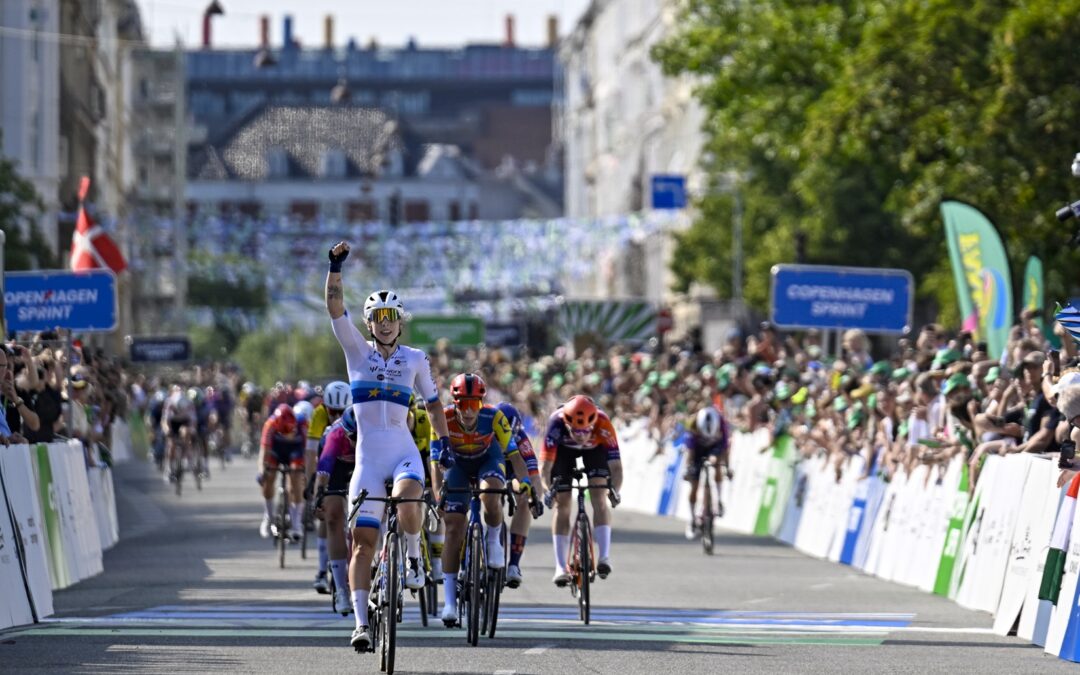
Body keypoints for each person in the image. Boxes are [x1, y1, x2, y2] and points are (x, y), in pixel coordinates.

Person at [325, 240, 455, 652]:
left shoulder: (416, 359)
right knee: (363, 545)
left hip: (402, 454)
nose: (384, 324)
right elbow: (333, 306)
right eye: (377, 318)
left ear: (400, 322)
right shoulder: (357, 353)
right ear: (368, 323)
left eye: (391, 317)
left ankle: (414, 556)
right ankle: (361, 624)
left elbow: (434, 406)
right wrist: (335, 267)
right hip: (367, 461)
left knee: (409, 499)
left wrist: (444, 444)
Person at [430, 373, 529, 625]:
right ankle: (450, 602)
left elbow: (515, 456)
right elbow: (434, 463)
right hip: (458, 466)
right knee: (453, 528)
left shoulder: (493, 417)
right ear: (454, 402)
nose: (468, 410)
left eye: (473, 404)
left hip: (488, 459)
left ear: (481, 403)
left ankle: (494, 540)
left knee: (491, 493)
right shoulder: (443, 418)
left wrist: (525, 481)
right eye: (462, 403)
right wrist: (437, 492)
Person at [540, 395, 622, 586]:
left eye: (585, 431)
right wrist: (547, 490)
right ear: (567, 424)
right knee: (563, 504)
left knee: (599, 496)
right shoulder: (556, 423)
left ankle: (604, 558)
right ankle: (560, 567)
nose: (581, 436)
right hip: (563, 453)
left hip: (595, 451)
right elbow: (545, 468)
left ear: (592, 423)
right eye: (576, 431)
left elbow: (616, 467)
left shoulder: (603, 422)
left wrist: (615, 491)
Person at [313, 405, 358, 615]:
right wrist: (318, 497)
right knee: (332, 516)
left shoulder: (372, 436)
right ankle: (341, 589)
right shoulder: (336, 435)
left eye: (360, 437)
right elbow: (323, 472)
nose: (356, 441)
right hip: (337, 469)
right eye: (353, 437)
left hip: (363, 464)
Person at [496, 401, 543, 588]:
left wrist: (534, 499)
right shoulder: (485, 430)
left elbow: (534, 478)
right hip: (490, 464)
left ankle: (514, 564)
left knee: (525, 498)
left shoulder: (522, 440)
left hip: (515, 468)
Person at [311, 381, 351, 595]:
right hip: (333, 463)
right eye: (332, 412)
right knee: (331, 515)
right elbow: (317, 460)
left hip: (357, 464)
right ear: (325, 408)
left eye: (341, 412)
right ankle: (323, 571)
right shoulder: (327, 426)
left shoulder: (361, 423)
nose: (336, 417)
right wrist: (315, 489)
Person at [258, 404, 308, 540]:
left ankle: (296, 523)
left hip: (295, 450)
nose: (288, 435)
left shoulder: (302, 423)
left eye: (290, 431)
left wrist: (307, 472)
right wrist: (262, 471)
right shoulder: (270, 424)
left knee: (296, 481)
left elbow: (309, 451)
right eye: (284, 432)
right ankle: (268, 517)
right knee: (268, 478)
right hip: (276, 450)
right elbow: (264, 451)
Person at [682, 406, 729, 540]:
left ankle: (718, 500)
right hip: (697, 450)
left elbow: (725, 448)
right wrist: (688, 468)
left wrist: (727, 466)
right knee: (694, 485)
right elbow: (689, 452)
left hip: (714, 447)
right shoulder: (692, 424)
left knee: (717, 464)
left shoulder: (721, 423)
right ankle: (692, 519)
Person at [161, 384, 196, 482]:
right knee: (171, 444)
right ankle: (169, 468)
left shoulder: (189, 402)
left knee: (186, 433)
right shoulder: (169, 402)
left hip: (185, 421)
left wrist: (191, 429)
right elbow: (165, 420)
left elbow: (193, 420)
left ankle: (186, 458)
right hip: (172, 422)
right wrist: (167, 430)